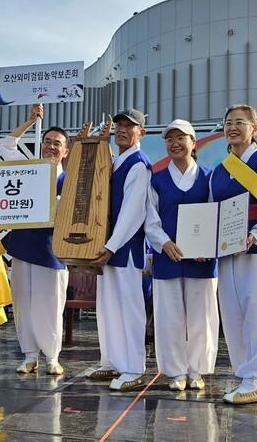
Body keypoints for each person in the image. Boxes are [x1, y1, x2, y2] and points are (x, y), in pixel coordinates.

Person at [209, 103, 257, 404]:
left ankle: (256, 378)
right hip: (228, 252)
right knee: (233, 315)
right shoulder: (218, 171)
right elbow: (211, 211)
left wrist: (256, 234)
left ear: (254, 129)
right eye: (228, 122)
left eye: (240, 122)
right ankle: (246, 375)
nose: (232, 127)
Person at [0, 103, 70, 376]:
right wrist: (30, 121)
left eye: (57, 144)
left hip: (53, 251)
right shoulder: (28, 171)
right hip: (23, 246)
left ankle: (52, 356)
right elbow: (6, 146)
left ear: (65, 151)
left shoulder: (69, 181)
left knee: (50, 305)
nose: (50, 147)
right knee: (23, 304)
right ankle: (29, 355)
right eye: (47, 142)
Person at [144, 119, 219, 391]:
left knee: (202, 317)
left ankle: (196, 370)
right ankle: (176, 371)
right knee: (169, 317)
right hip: (168, 259)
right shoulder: (157, 180)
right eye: (169, 139)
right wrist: (164, 243)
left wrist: (207, 246)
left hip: (202, 262)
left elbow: (215, 213)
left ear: (193, 142)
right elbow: (150, 219)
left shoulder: (209, 177)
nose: (174, 143)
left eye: (180, 138)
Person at [90, 108, 152, 391]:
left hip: (124, 249)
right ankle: (113, 362)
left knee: (129, 308)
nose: (122, 130)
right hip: (109, 249)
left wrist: (111, 246)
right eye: (119, 126)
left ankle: (133, 367)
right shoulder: (116, 162)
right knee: (108, 308)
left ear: (142, 132)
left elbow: (133, 213)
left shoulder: (138, 163)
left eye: (130, 126)